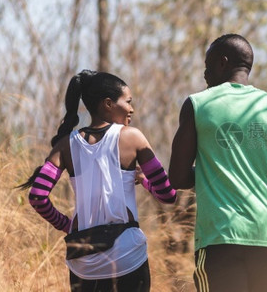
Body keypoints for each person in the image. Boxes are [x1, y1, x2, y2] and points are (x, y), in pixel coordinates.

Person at [168, 34, 267, 291]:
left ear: (222, 62)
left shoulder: (198, 105)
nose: (204, 73)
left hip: (220, 235)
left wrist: (212, 171)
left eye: (207, 64)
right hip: (266, 235)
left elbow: (178, 177)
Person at [18, 70, 177, 292]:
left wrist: (66, 225)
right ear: (108, 104)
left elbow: (37, 197)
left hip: (83, 263)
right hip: (127, 256)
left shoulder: (65, 145)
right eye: (128, 102)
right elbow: (168, 195)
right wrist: (144, 180)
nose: (131, 109)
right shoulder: (133, 137)